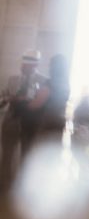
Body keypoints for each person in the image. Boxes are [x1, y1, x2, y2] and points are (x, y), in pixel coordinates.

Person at [0, 50, 48, 192]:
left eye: (26, 64)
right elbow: (3, 97)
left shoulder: (44, 81)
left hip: (31, 124)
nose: (22, 66)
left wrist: (29, 100)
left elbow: (44, 104)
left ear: (35, 65)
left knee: (27, 156)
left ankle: (23, 188)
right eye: (22, 63)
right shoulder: (12, 79)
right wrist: (8, 99)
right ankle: (4, 186)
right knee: (7, 155)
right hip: (11, 120)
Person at [26, 54, 71, 142]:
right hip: (59, 123)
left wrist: (25, 103)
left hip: (46, 122)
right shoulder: (66, 84)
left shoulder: (50, 83)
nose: (49, 67)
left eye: (50, 65)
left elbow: (36, 104)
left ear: (54, 67)